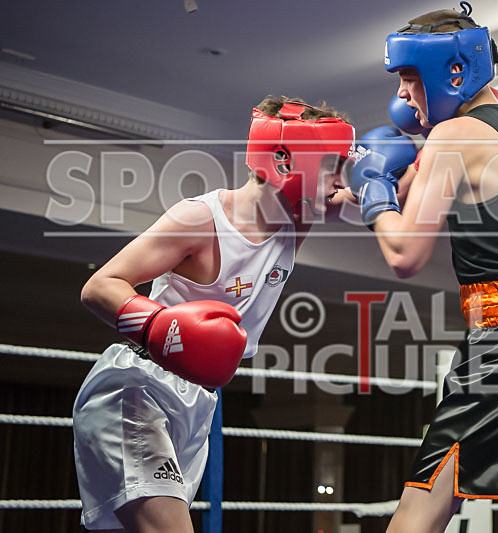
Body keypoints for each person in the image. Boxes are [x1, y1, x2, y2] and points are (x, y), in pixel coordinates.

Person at [334, 4, 498, 532]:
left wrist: (376, 186)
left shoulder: (452, 139)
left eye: (408, 79)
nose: (401, 95)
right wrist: (360, 194)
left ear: (452, 72)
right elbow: (412, 203)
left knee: (419, 510)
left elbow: (404, 252)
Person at [73, 96, 354, 532]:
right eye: (333, 164)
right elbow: (99, 287)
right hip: (138, 389)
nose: (341, 180)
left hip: (198, 401)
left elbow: (384, 201)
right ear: (284, 161)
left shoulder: (298, 218)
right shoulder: (200, 220)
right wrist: (160, 328)